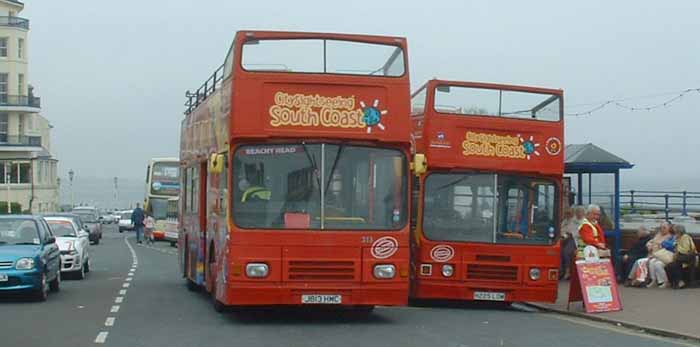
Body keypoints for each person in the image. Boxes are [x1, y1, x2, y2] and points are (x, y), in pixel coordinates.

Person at [627, 222, 672, 286]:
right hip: (652, 254)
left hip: (660, 256)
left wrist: (654, 245)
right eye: (661, 227)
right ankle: (631, 278)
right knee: (639, 261)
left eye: (664, 228)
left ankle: (640, 280)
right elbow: (651, 242)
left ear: (669, 228)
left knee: (642, 262)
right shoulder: (658, 235)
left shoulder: (669, 237)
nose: (662, 229)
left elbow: (661, 246)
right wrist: (649, 244)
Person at [666, 224, 697, 289]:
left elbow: (686, 250)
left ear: (679, 231)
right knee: (670, 265)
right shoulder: (679, 238)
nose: (675, 233)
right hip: (682, 257)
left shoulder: (685, 237)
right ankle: (676, 281)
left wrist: (676, 245)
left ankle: (680, 281)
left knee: (676, 261)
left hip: (690, 257)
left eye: (676, 232)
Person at [646, 224, 676, 288]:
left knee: (658, 264)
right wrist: (663, 244)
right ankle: (654, 280)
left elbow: (672, 246)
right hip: (663, 255)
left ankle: (665, 282)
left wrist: (664, 244)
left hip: (670, 256)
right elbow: (661, 244)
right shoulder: (665, 236)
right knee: (652, 262)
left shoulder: (673, 237)